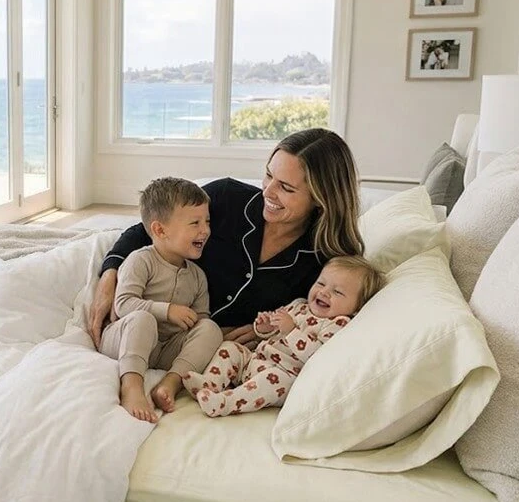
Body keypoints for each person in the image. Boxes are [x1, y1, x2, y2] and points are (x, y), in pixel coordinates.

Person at [89, 128, 364, 361]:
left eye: (286, 188)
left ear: (320, 198)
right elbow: (143, 232)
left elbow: (316, 317)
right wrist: (109, 274)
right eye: (268, 176)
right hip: (145, 324)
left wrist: (263, 330)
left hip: (199, 352)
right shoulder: (225, 198)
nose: (267, 192)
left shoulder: (329, 260)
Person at [183, 255, 384, 417]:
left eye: (338, 292)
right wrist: (263, 327)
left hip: (282, 375)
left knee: (276, 380)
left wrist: (291, 331)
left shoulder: (338, 325)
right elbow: (270, 331)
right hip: (254, 360)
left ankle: (226, 402)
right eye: (321, 283)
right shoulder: (298, 305)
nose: (324, 292)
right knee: (231, 348)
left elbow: (318, 357)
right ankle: (210, 383)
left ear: (357, 307)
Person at [98, 177, 223, 422]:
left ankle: (171, 382)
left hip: (165, 349)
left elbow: (201, 318)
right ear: (160, 230)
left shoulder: (197, 275)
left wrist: (197, 324)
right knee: (143, 319)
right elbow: (123, 304)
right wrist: (168, 310)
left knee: (210, 328)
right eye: (195, 223)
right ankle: (132, 385)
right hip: (125, 339)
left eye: (206, 221)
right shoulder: (140, 260)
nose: (205, 230)